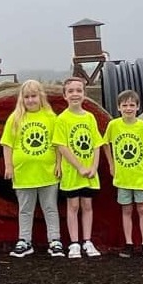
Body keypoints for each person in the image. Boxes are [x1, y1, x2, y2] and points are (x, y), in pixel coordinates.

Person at [0, 80, 62, 257]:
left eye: (34, 96)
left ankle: (55, 240)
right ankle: (25, 241)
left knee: (50, 207)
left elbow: (58, 144)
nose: (30, 100)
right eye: (26, 97)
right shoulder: (16, 118)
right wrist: (9, 166)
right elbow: (7, 144)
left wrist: (58, 164)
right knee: (25, 209)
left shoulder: (51, 117)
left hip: (47, 172)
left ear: (41, 97)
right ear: (22, 99)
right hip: (23, 173)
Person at [102, 89, 143, 258]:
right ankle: (129, 243)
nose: (128, 108)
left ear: (138, 107)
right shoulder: (114, 125)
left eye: (132, 105)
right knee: (126, 210)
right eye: (125, 105)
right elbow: (105, 143)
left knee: (142, 209)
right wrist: (111, 164)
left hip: (140, 177)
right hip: (123, 176)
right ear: (118, 108)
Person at [53, 77, 106, 259]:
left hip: (89, 173)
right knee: (73, 205)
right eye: (71, 91)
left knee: (87, 205)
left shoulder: (90, 117)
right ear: (65, 96)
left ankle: (87, 241)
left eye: (79, 91)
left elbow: (97, 144)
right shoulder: (62, 119)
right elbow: (61, 146)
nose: (75, 94)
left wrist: (93, 166)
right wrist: (79, 167)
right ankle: (74, 243)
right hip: (72, 173)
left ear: (84, 94)